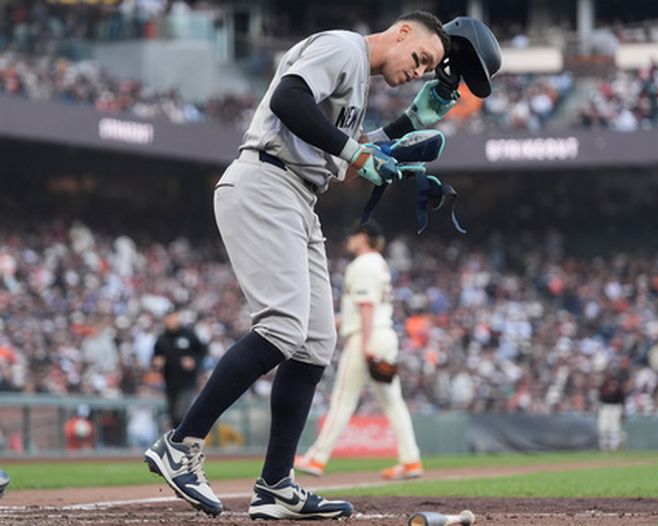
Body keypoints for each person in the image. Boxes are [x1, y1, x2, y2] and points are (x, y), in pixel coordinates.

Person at [144, 11, 457, 520]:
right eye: (420, 58)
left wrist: (411, 123)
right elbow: (289, 100)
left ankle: (274, 485)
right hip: (266, 183)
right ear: (401, 32)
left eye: (427, 68)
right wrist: (356, 153)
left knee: (314, 344)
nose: (418, 71)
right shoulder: (343, 47)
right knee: (283, 325)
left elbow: (332, 145)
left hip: (298, 195)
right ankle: (180, 445)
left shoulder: (355, 80)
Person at [294, 222, 422, 480]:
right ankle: (411, 461)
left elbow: (365, 305)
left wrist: (365, 347)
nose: (349, 240)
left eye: (353, 236)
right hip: (383, 333)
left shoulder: (363, 264)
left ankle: (317, 458)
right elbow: (362, 308)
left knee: (343, 399)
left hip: (367, 336)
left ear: (363, 238)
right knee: (393, 403)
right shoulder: (379, 263)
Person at [151, 308, 207, 428]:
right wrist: (157, 363)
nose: (170, 321)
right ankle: (176, 441)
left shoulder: (188, 335)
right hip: (170, 382)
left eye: (172, 317)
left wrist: (193, 361)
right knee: (173, 414)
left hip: (187, 382)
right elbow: (155, 357)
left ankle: (181, 440)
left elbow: (202, 351)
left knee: (181, 413)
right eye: (167, 318)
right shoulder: (162, 339)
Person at [597, 371, 626, 451]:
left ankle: (614, 448)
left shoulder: (619, 387)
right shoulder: (604, 386)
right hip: (605, 407)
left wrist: (623, 412)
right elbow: (600, 398)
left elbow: (622, 400)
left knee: (615, 429)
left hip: (616, 407)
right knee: (603, 428)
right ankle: (603, 448)